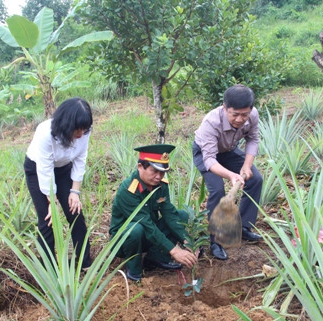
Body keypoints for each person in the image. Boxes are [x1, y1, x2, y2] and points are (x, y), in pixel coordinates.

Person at [193, 84, 263, 260]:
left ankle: (244, 228)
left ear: (251, 110)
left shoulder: (252, 115)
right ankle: (215, 241)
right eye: (235, 114)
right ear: (224, 108)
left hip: (228, 150)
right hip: (206, 153)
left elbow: (253, 139)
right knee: (217, 190)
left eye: (244, 115)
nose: (240, 119)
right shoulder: (211, 122)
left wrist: (247, 166)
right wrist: (231, 175)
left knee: (256, 180)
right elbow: (209, 160)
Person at [110, 144, 198, 282]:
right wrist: (174, 251)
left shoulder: (160, 185)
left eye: (162, 172)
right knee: (136, 229)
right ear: (140, 167)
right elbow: (146, 224)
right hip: (125, 240)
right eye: (154, 171)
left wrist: (186, 241)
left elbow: (169, 214)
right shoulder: (128, 191)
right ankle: (134, 272)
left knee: (181, 216)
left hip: (148, 234)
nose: (158, 176)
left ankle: (155, 258)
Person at [24, 97, 93, 269]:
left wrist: (74, 192)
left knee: (75, 212)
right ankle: (49, 270)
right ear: (67, 124)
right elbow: (45, 169)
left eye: (84, 129)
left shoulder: (84, 131)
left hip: (63, 170)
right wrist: (51, 202)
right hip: (37, 169)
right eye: (78, 129)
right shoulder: (45, 133)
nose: (81, 134)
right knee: (47, 219)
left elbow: (80, 159)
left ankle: (84, 264)